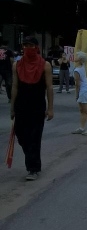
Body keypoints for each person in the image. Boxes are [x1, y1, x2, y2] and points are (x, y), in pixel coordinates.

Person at [10, 36, 54, 180]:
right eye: (24, 45)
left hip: (37, 106)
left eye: (30, 45)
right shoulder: (17, 65)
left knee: (34, 137)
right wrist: (12, 108)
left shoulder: (45, 65)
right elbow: (15, 87)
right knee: (22, 136)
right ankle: (31, 158)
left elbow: (49, 88)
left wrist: (50, 108)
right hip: (21, 106)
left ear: (36, 47)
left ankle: (33, 168)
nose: (27, 48)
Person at [70, 51, 87, 135]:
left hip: (83, 90)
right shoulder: (82, 66)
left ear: (80, 59)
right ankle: (81, 127)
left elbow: (77, 84)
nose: (75, 57)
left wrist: (77, 94)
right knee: (82, 110)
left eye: (76, 56)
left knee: (86, 110)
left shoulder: (77, 70)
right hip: (85, 89)